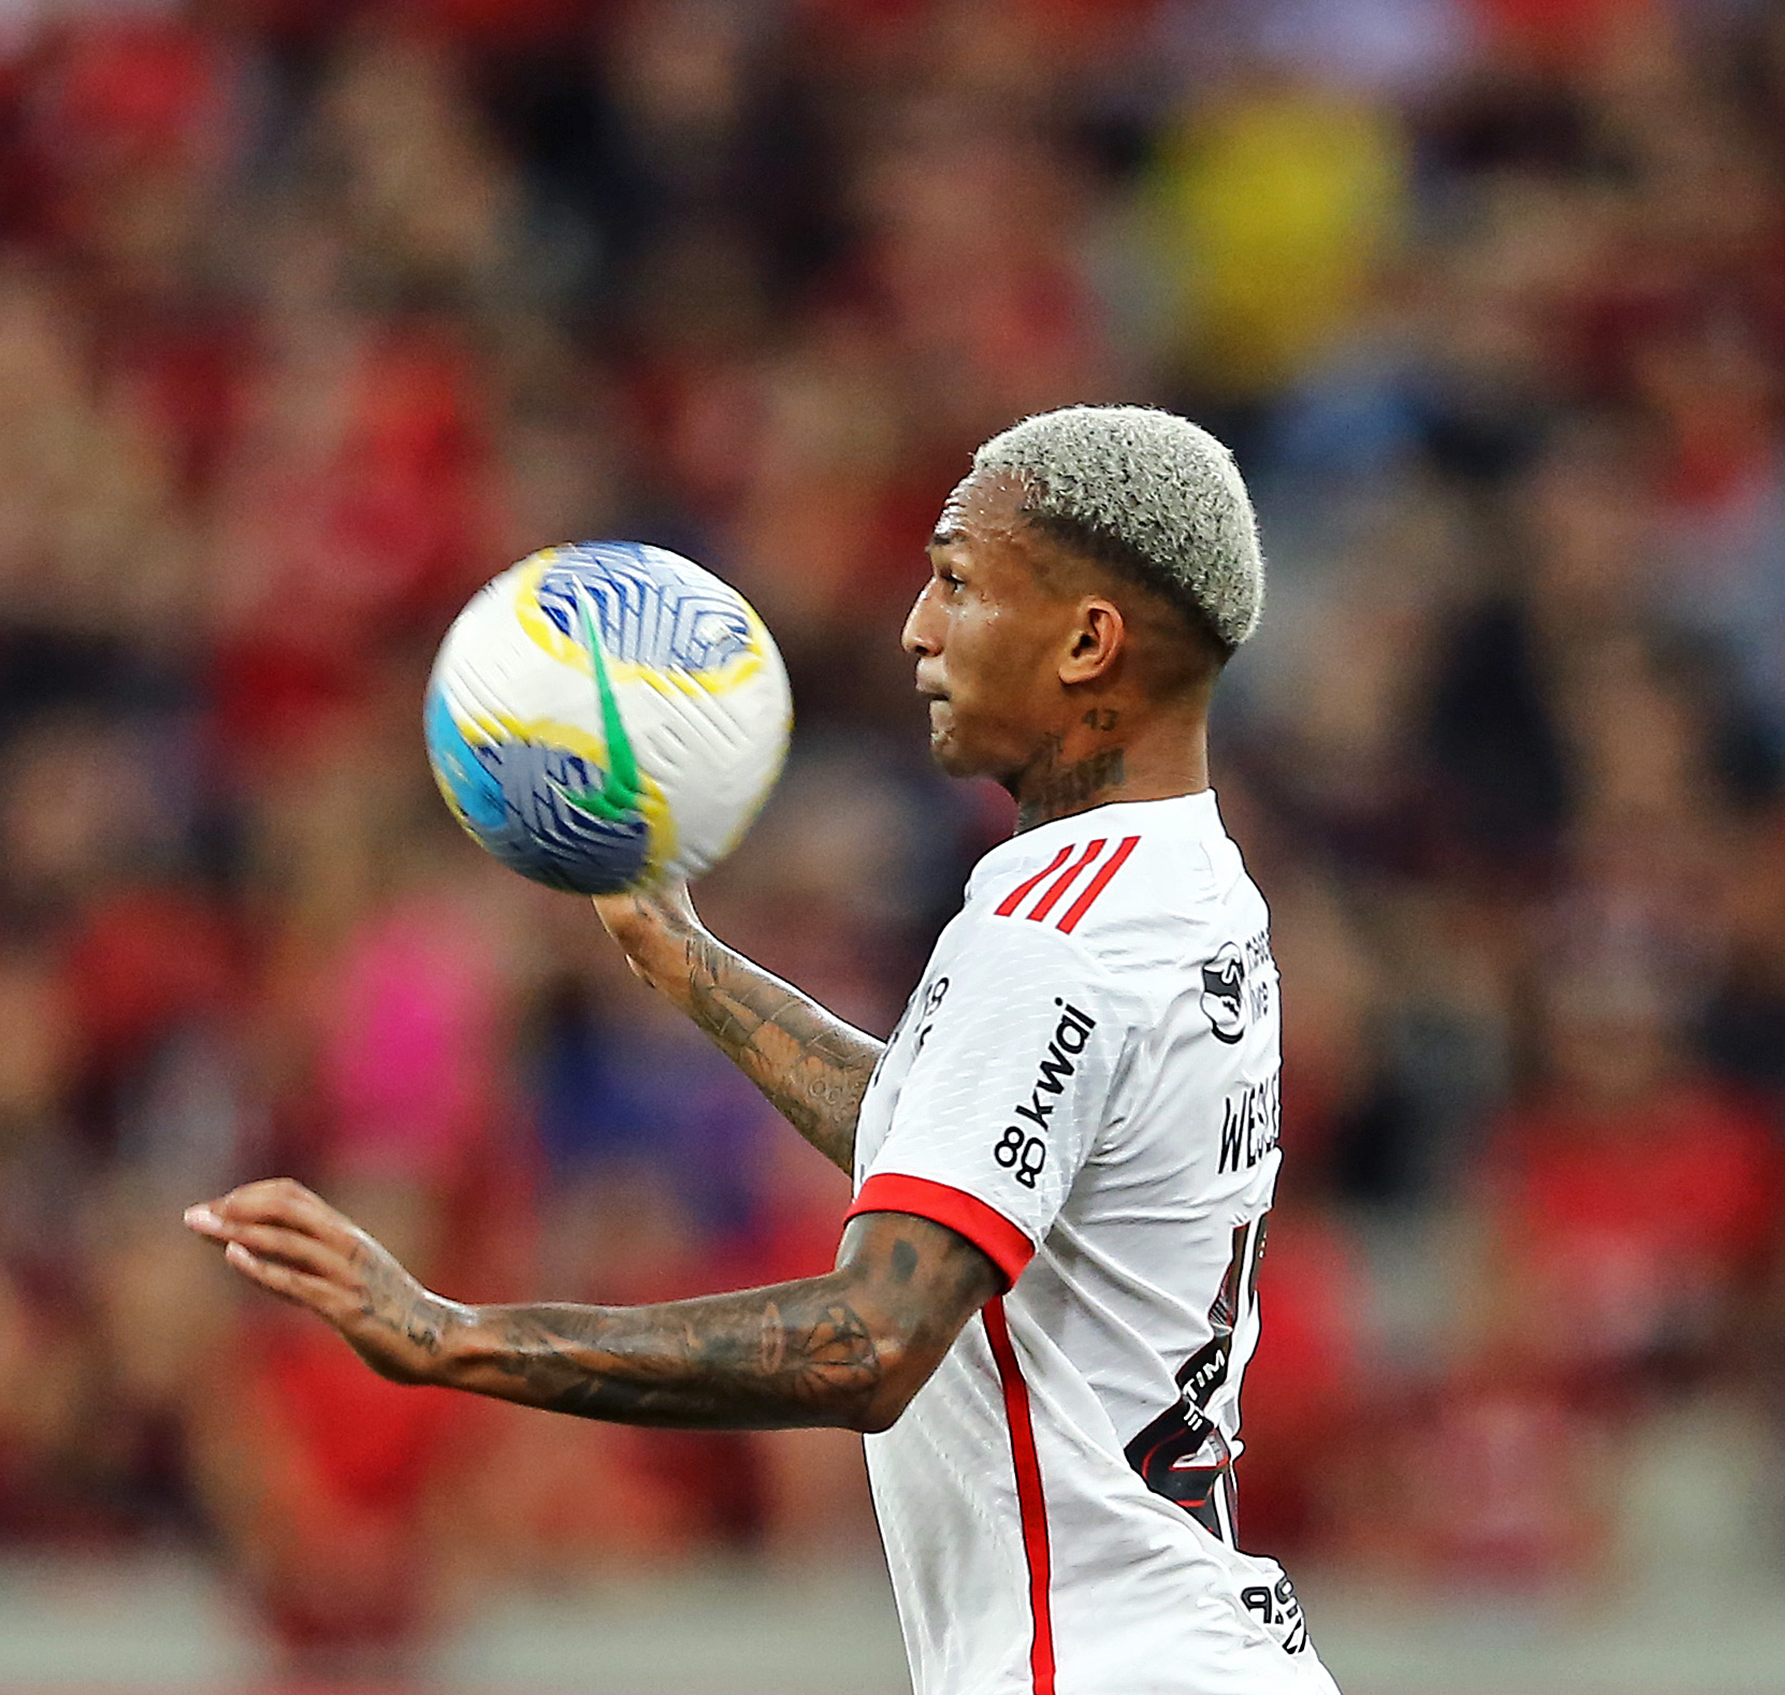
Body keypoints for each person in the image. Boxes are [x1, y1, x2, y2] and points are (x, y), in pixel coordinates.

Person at [186, 405, 1340, 1694]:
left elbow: (871, 1342)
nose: (917, 627)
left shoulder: (1050, 931)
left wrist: (454, 1339)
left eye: (959, 582)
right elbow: (958, 1135)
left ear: (1087, 641)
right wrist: (687, 964)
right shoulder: (1194, 888)